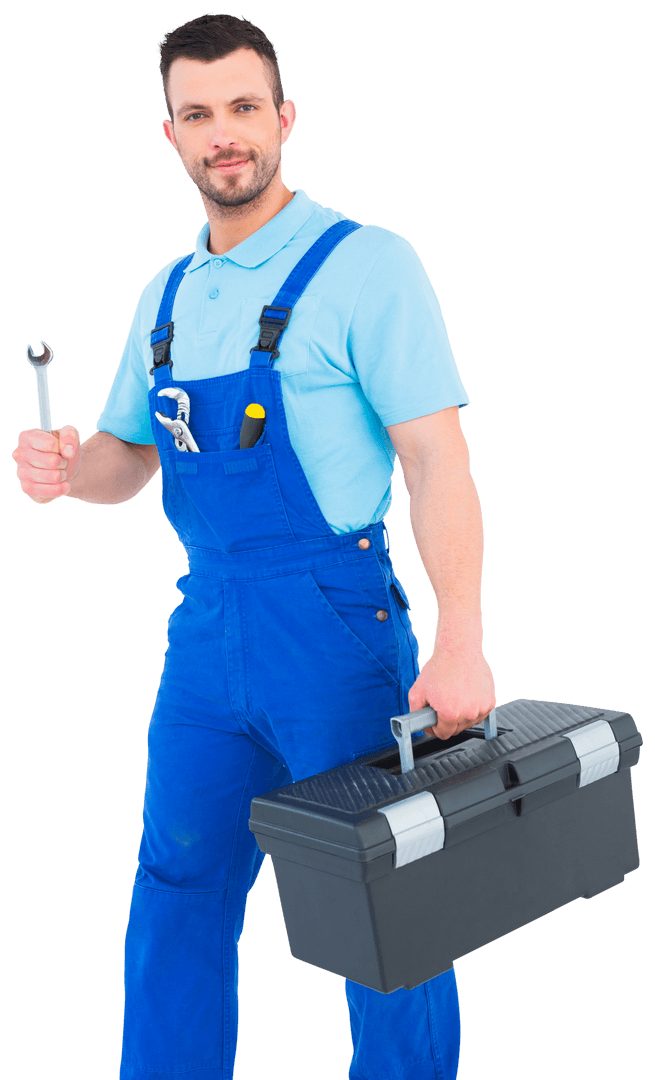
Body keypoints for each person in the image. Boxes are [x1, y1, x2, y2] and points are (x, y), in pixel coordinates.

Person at [12, 13, 495, 1080]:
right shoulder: (166, 298)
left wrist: (459, 637)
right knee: (174, 890)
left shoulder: (367, 265)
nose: (221, 133)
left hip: (335, 627)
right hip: (206, 637)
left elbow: (436, 461)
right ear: (171, 136)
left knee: (387, 904)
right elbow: (127, 460)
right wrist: (62, 467)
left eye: (241, 107)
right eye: (196, 114)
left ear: (281, 118)